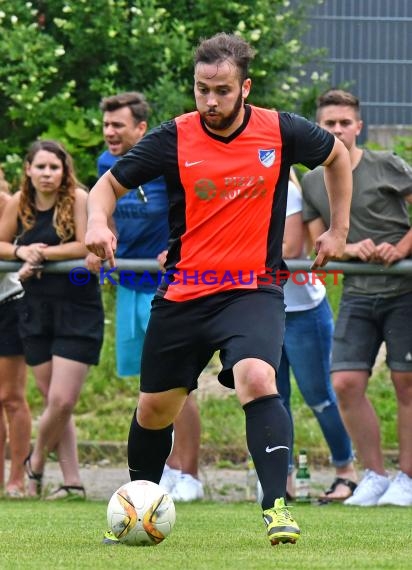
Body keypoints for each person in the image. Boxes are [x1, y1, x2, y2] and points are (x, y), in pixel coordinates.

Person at [85, 32, 352, 545]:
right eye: (202, 89)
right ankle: (140, 505)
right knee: (155, 410)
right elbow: (107, 186)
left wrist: (338, 230)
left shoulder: (281, 130)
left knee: (258, 376)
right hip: (185, 289)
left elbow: (338, 157)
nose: (210, 101)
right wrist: (99, 222)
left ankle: (276, 508)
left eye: (222, 90)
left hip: (252, 288)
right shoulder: (174, 136)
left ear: (245, 87)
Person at [87, 92, 203, 503]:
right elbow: (105, 208)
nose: (109, 132)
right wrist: (97, 238)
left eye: (118, 125)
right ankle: (164, 469)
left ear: (141, 128)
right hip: (128, 286)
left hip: (168, 284)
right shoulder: (107, 166)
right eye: (106, 125)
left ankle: (188, 473)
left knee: (177, 386)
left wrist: (177, 243)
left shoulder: (169, 160)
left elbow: (197, 208)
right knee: (148, 385)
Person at [302, 89, 412, 507]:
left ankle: (408, 477)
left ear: (358, 127)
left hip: (403, 292)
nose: (336, 130)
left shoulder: (387, 164)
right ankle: (374, 476)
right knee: (345, 383)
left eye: (344, 123)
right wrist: (349, 248)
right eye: (328, 123)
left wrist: (400, 249)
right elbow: (318, 244)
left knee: (406, 384)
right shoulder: (313, 180)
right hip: (357, 295)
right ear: (318, 128)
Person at [0, 140, 104, 500]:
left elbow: (83, 244)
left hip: (78, 308)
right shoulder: (18, 202)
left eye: (53, 167)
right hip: (35, 311)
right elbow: (0, 243)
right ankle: (72, 482)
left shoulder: (78, 198)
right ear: (28, 169)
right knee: (54, 403)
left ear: (64, 171)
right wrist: (18, 250)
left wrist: (41, 254)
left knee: (61, 401)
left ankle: (36, 464)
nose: (47, 174)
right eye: (40, 167)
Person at [277, 174, 357, 502]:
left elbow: (290, 250)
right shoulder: (240, 189)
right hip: (262, 310)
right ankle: (281, 479)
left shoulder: (290, 193)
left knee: (320, 397)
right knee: (272, 400)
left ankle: (346, 472)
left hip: (304, 313)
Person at [0, 169, 31, 498]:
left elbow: (12, 245)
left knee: (11, 397)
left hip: (7, 304)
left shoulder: (8, 204)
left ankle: (17, 479)